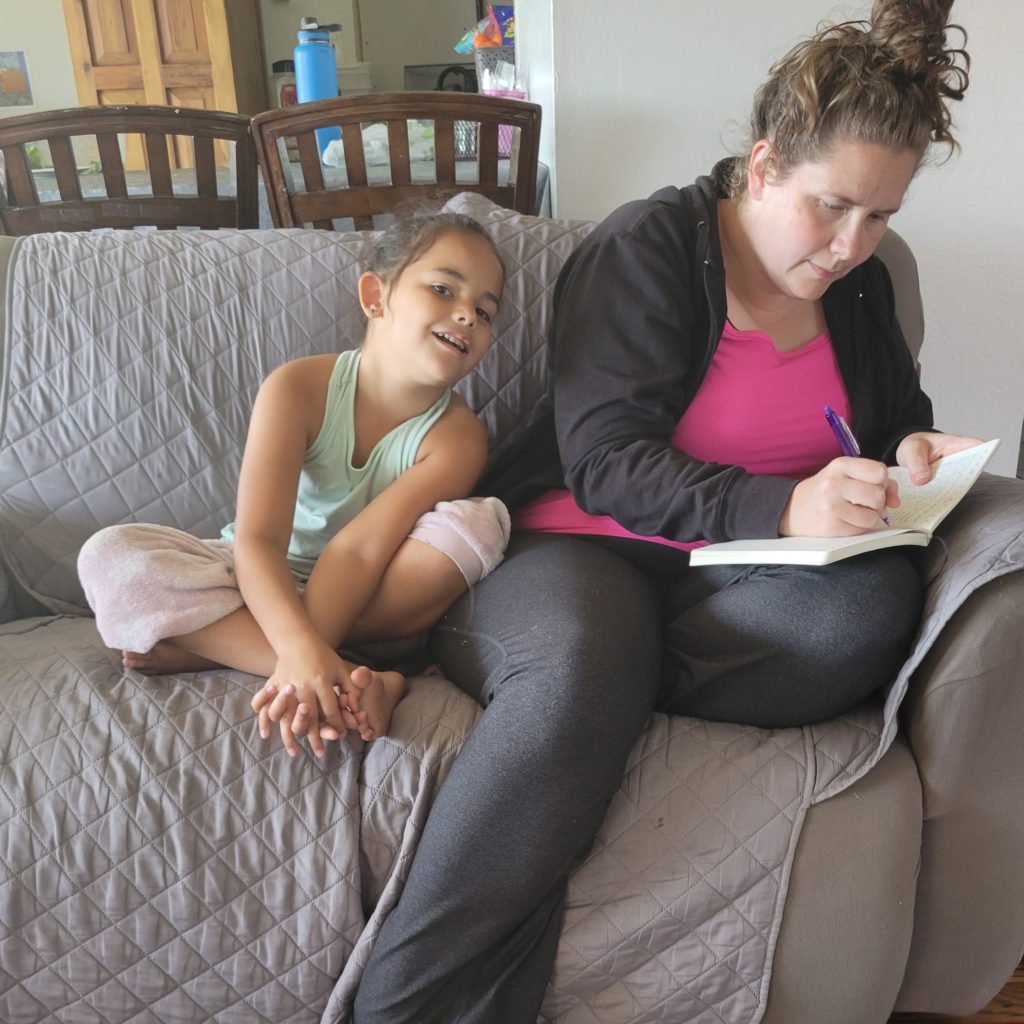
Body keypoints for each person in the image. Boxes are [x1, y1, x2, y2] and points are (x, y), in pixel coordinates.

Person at [350, 2, 978, 1022]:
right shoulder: (647, 246)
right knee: (587, 656)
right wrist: (785, 505)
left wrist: (909, 451)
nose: (851, 244)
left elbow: (893, 418)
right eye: (830, 207)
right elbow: (604, 465)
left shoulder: (861, 286)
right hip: (577, 547)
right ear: (765, 165)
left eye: (880, 217)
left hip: (730, 579)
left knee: (861, 618)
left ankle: (599, 689)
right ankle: (405, 1007)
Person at [77, 212, 511, 756]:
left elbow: (357, 550)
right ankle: (359, 675)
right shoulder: (297, 387)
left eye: (485, 310)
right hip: (260, 584)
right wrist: (299, 651)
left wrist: (300, 648)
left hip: (376, 589)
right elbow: (257, 541)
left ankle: (224, 650)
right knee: (109, 553)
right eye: (444, 288)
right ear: (376, 295)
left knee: (478, 528)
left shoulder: (458, 437)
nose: (467, 314)